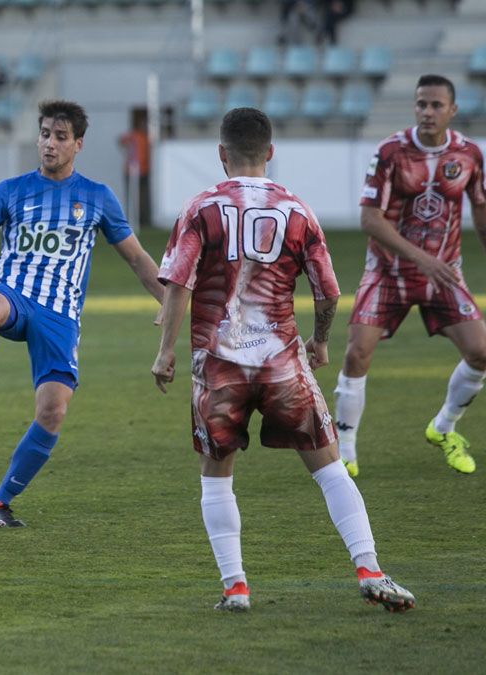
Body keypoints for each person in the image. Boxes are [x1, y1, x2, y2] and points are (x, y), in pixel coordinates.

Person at [151, 106, 416, 613]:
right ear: (270, 152)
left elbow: (180, 282)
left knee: (216, 475)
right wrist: (319, 341)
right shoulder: (298, 210)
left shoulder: (201, 207)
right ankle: (369, 569)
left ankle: (236, 588)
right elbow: (328, 291)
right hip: (281, 363)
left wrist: (165, 351)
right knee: (330, 470)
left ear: (221, 154)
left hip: (219, 367)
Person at [0, 100, 165, 527]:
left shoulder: (97, 197)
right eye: (44, 135)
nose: (49, 144)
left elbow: (137, 258)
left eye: (60, 137)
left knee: (52, 412)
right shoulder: (11, 190)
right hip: (13, 295)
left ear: (78, 144)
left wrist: (168, 304)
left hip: (60, 315)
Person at [334, 74, 486, 477]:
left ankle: (443, 428)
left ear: (453, 109)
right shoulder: (390, 153)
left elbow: (481, 210)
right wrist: (421, 258)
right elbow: (370, 219)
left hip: (444, 273)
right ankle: (344, 449)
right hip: (388, 272)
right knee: (357, 352)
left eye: (436, 105)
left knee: (481, 352)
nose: (427, 112)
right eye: (421, 104)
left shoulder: (470, 155)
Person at [117, 116, 150, 227]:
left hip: (143, 170)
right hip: (132, 170)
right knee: (132, 196)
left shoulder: (146, 137)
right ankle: (132, 219)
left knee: (142, 197)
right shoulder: (134, 136)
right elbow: (121, 140)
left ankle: (142, 219)